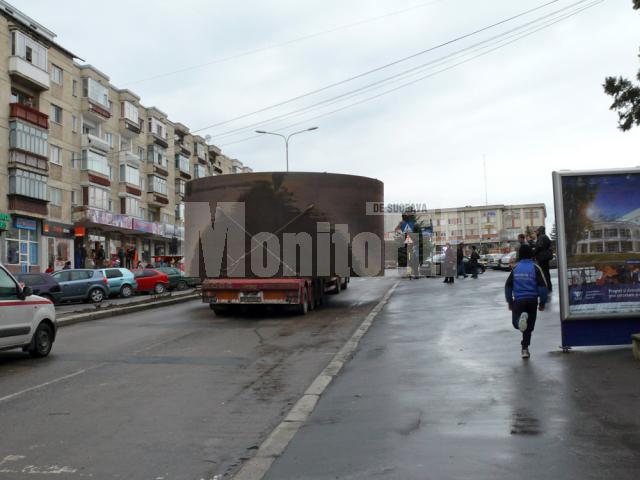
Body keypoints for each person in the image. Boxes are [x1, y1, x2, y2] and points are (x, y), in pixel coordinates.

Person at [505, 245, 548, 359]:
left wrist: (510, 301)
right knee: (528, 327)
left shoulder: (516, 268)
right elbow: (543, 287)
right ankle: (525, 349)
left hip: (519, 300)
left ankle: (520, 319)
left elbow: (508, 286)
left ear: (520, 255)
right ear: (531, 254)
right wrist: (542, 303)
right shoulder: (535, 268)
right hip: (532, 300)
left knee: (517, 323)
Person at [533, 225, 553, 292]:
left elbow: (539, 246)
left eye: (537, 231)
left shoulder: (541, 237)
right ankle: (549, 286)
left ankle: (545, 287)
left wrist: (533, 253)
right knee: (546, 272)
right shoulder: (546, 236)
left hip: (542, 258)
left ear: (540, 231)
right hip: (545, 257)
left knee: (543, 273)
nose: (536, 232)